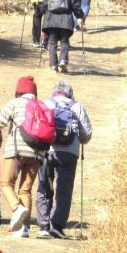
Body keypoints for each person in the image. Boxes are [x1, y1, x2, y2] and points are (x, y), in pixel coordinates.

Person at [0, 76, 45, 239]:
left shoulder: (15, 103)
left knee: (6, 183)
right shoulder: (42, 105)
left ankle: (16, 208)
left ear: (19, 90)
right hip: (38, 153)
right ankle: (24, 228)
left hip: (16, 151)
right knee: (25, 190)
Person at [35, 80, 92, 239]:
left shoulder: (46, 103)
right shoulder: (77, 106)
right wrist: (79, 139)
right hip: (69, 152)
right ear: (70, 93)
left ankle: (44, 226)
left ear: (55, 92)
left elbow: (37, 127)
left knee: (44, 186)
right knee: (64, 190)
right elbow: (87, 133)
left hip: (47, 149)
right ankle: (57, 225)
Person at [42, 0, 85, 73]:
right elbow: (76, 6)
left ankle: (53, 66)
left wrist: (44, 15)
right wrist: (80, 17)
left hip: (51, 21)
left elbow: (44, 6)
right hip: (65, 21)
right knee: (64, 42)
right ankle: (63, 61)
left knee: (52, 43)